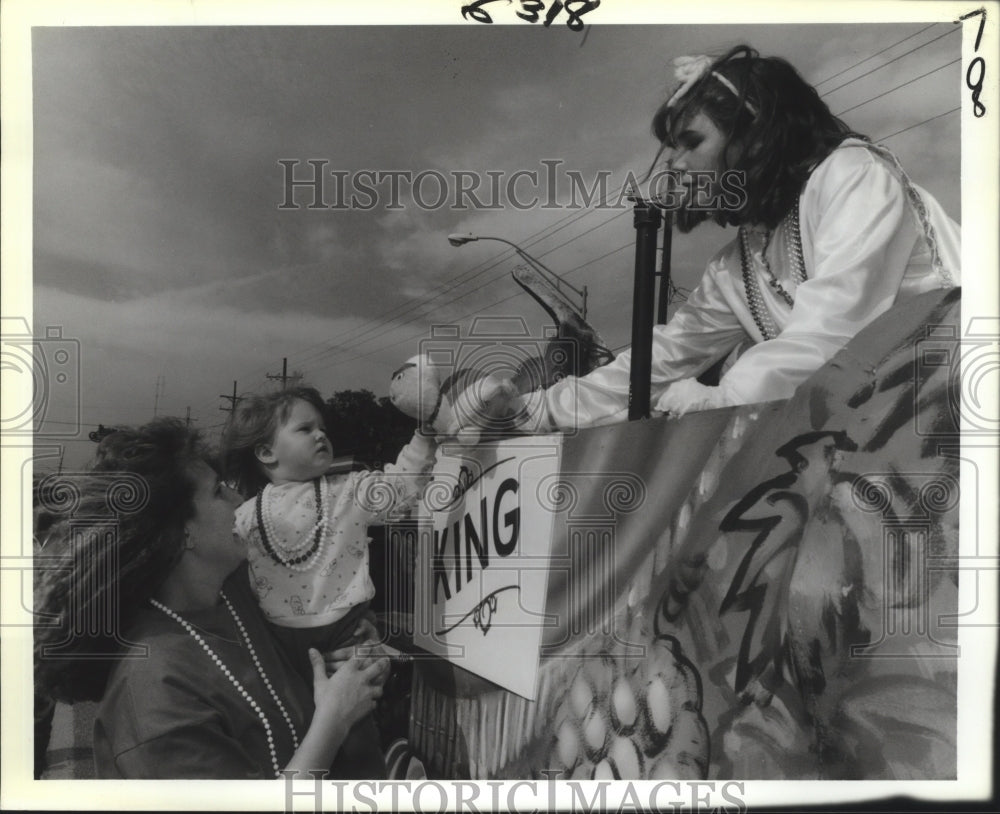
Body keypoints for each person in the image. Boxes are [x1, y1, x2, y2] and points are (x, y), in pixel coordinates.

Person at [514, 45, 960, 431]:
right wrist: (529, 411)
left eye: (691, 142)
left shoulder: (851, 176)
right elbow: (662, 360)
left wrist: (721, 401)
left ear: (754, 136)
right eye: (672, 147)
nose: (674, 162)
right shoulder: (736, 263)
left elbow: (830, 339)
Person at [33, 418, 390, 779]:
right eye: (219, 491)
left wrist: (358, 644)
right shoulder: (153, 693)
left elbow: (319, 623)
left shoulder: (237, 590)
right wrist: (335, 720)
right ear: (181, 532)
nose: (239, 498)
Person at [220, 386, 436, 775]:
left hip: (345, 636)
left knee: (356, 739)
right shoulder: (246, 516)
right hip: (275, 646)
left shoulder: (349, 492)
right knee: (293, 730)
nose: (321, 434)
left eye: (323, 427)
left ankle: (374, 781)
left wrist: (425, 434)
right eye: (305, 429)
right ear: (267, 453)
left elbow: (404, 484)